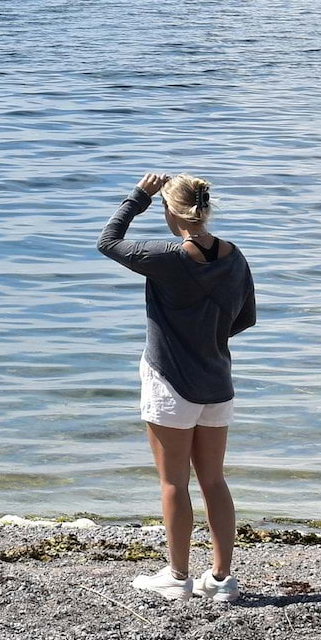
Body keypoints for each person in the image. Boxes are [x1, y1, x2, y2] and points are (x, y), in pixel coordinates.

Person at [97, 171, 256, 603]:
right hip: (217, 381)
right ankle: (222, 580)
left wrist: (137, 197)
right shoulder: (234, 256)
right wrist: (207, 338)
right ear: (205, 211)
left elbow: (108, 242)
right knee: (214, 481)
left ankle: (178, 576)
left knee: (173, 483)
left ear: (171, 209)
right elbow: (245, 318)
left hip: (170, 381)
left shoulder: (167, 255)